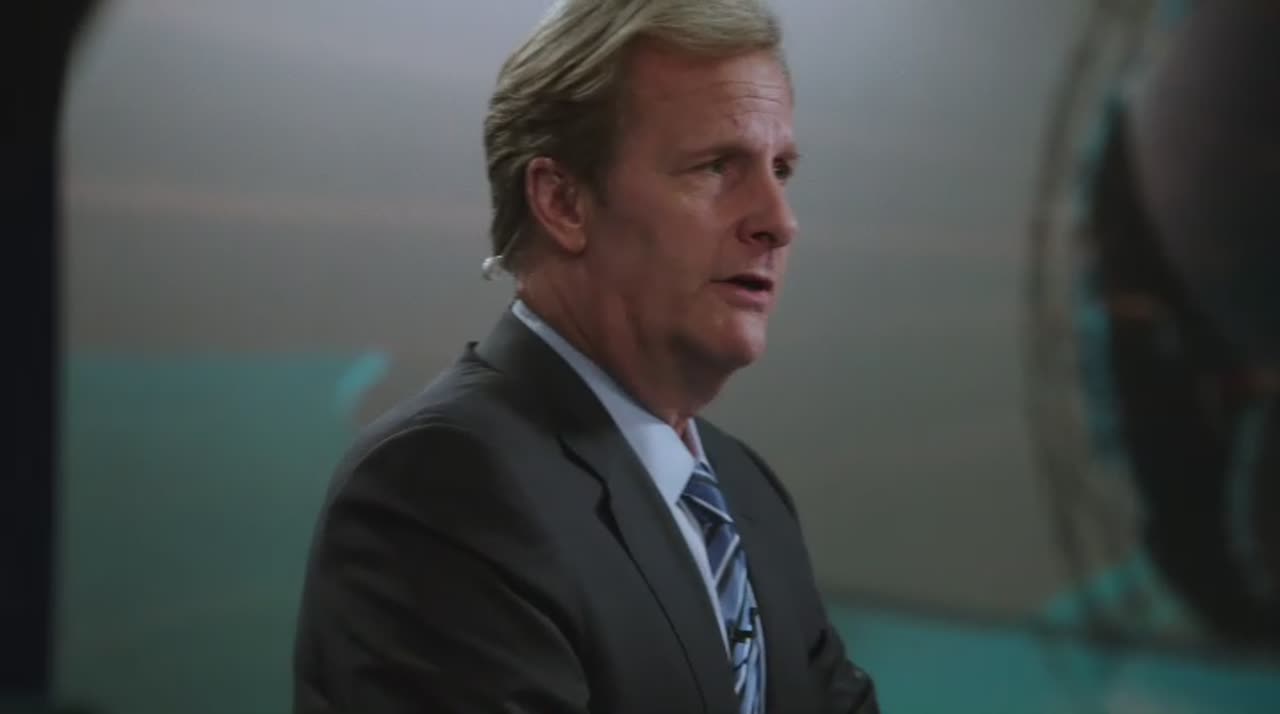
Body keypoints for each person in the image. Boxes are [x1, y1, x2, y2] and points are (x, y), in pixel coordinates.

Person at [292, 1, 880, 712]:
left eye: (780, 169)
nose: (778, 221)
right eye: (717, 166)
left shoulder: (746, 494)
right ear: (564, 202)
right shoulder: (443, 485)